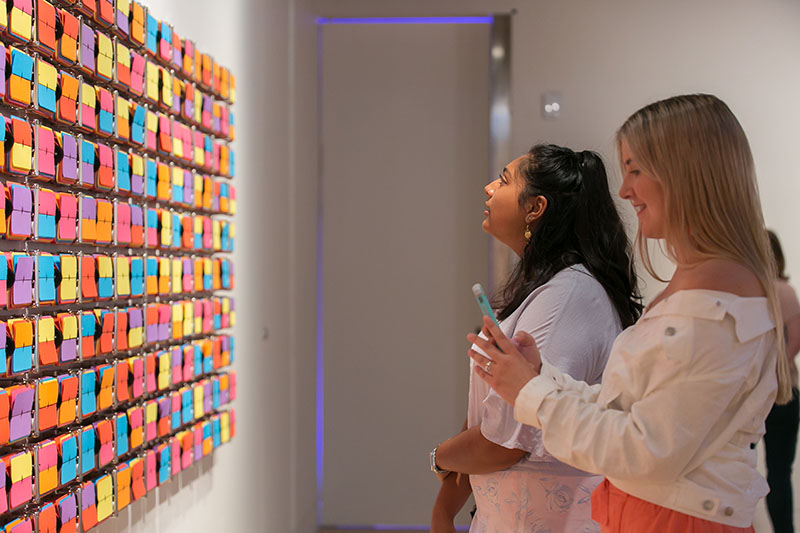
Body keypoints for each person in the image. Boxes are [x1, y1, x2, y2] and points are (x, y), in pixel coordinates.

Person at [467, 94, 793, 533]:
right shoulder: (705, 282)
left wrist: (532, 392)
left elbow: (646, 449)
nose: (624, 190)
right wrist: (541, 379)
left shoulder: (715, 297)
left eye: (636, 170)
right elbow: (631, 411)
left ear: (685, 172)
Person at [429, 144, 642, 532]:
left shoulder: (567, 296)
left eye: (505, 180)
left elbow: (508, 440)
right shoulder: (545, 287)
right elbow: (491, 414)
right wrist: (444, 507)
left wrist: (440, 456)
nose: (489, 188)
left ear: (535, 208)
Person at [765, 230, 800, 533]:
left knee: (738, 469)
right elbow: (795, 341)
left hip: (753, 394)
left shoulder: (750, 291)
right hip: (785, 393)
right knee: (779, 473)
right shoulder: (785, 291)